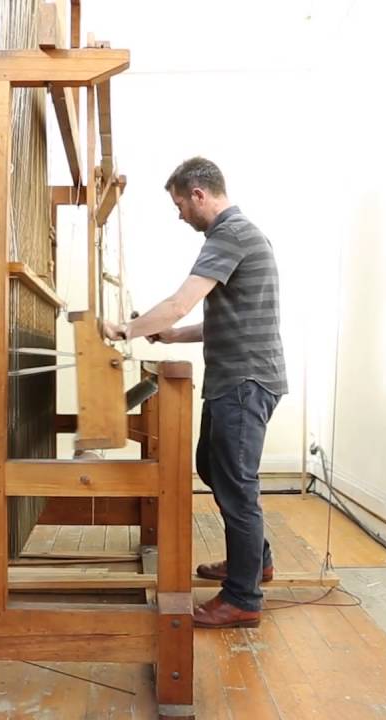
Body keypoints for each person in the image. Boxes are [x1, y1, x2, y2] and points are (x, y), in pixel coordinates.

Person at [104, 156, 287, 629]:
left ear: (199, 195)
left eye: (181, 205)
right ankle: (256, 561)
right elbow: (224, 321)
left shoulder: (229, 235)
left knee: (236, 485)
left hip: (244, 382)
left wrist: (123, 330)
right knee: (212, 466)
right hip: (240, 378)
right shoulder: (241, 235)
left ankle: (243, 598)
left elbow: (179, 302)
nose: (180, 215)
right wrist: (171, 337)